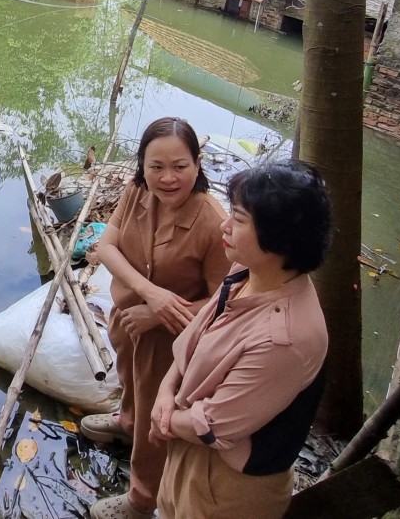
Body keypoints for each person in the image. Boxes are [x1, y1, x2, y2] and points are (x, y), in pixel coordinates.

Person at [150, 160, 332, 519]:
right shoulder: (246, 273)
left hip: (227, 486)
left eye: (240, 219)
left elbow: (214, 426)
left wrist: (165, 419)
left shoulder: (286, 339)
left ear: (280, 238)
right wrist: (164, 393)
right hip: (188, 450)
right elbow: (194, 340)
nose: (225, 225)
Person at [85, 118, 232, 519]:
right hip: (128, 317)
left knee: (158, 417)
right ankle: (126, 421)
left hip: (172, 338)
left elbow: (226, 299)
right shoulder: (136, 192)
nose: (168, 178)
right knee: (129, 380)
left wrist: (160, 312)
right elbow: (106, 246)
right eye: (156, 167)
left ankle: (141, 499)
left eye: (179, 166)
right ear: (142, 166)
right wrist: (149, 292)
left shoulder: (214, 223)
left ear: (197, 165)